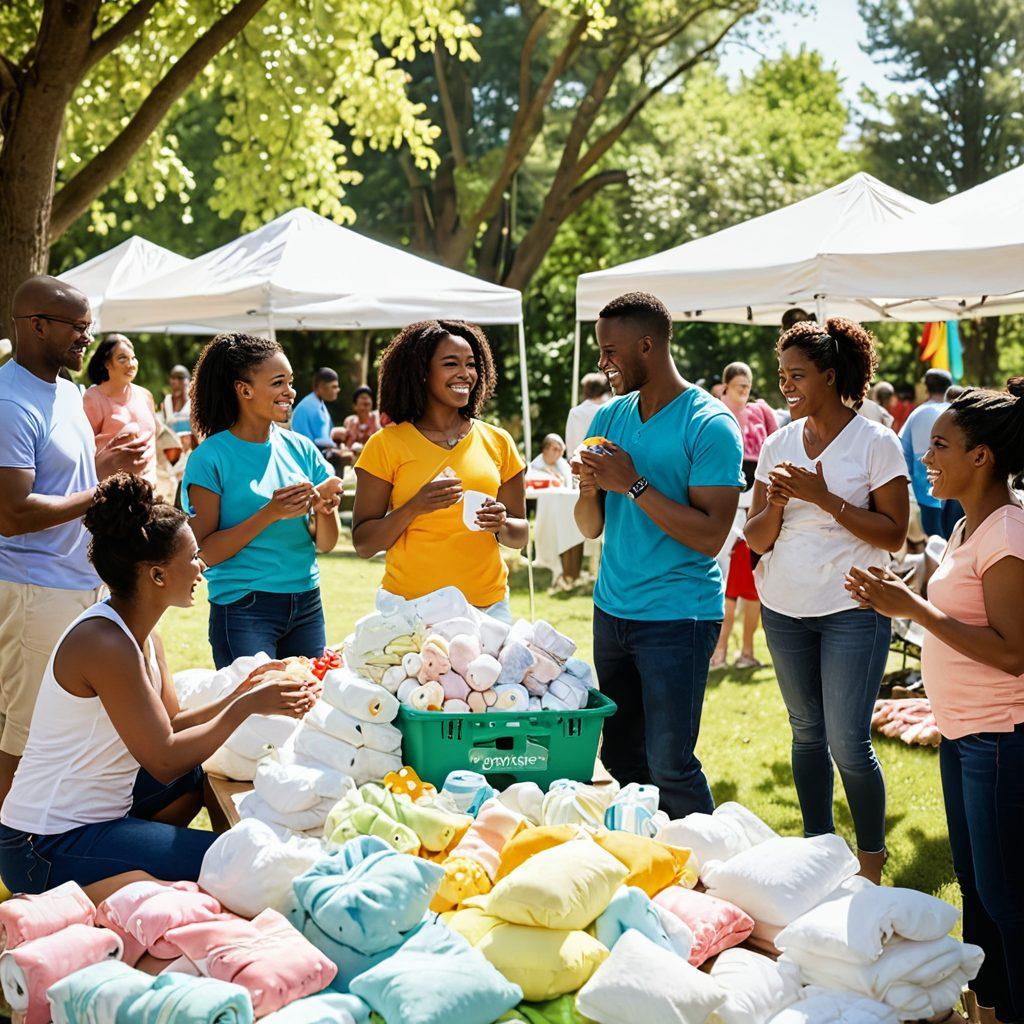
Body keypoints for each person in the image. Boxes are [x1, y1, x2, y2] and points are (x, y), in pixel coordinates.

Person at [0, 473, 314, 900]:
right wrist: (245, 708)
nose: (201, 564)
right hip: (43, 846)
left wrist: (242, 692)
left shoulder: (142, 634)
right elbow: (164, 758)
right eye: (192, 556)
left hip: (92, 820)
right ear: (157, 575)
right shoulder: (104, 642)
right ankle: (120, 879)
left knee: (194, 776)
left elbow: (170, 723)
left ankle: (133, 867)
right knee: (233, 861)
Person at [847, 379, 1024, 1024]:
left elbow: (1012, 651)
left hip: (1000, 740)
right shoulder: (972, 525)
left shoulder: (1007, 530)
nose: (926, 455)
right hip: (964, 735)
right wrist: (897, 593)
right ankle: (993, 1009)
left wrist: (911, 607)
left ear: (981, 457)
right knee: (980, 893)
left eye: (940, 444)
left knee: (1006, 897)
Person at [744, 317, 909, 884]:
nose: (786, 386)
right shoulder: (776, 443)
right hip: (784, 606)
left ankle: (869, 860)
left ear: (831, 375)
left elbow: (895, 534)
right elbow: (756, 538)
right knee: (806, 733)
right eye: (781, 375)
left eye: (798, 375)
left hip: (852, 610)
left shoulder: (876, 442)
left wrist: (823, 496)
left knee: (847, 742)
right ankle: (819, 853)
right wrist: (782, 504)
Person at [574, 292, 744, 819]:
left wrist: (634, 483)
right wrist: (587, 489)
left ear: (647, 346)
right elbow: (591, 525)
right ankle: (649, 859)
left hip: (677, 617)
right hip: (613, 610)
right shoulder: (610, 416)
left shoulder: (710, 424)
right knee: (621, 755)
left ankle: (709, 869)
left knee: (669, 762)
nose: (602, 363)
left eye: (610, 350)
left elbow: (712, 536)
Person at [0, 276, 146, 807]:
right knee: (23, 736)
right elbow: (12, 513)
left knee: (66, 726)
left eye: (90, 326)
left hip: (82, 584)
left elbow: (61, 480)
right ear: (36, 326)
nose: (88, 338)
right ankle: (14, 860)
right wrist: (103, 493)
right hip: (32, 591)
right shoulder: (10, 402)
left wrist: (106, 464)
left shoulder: (64, 391)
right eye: (78, 327)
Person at [182, 334, 342, 668]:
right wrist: (270, 513)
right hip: (244, 608)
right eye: (278, 382)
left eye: (291, 382)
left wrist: (326, 511)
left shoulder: (301, 448)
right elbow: (201, 551)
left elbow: (326, 544)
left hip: (306, 603)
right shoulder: (210, 458)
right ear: (244, 390)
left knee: (308, 709)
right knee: (255, 716)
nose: (290, 392)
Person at [352, 320, 528, 624]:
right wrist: (415, 507)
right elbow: (364, 543)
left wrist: (501, 524)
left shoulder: (498, 441)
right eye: (451, 363)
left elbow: (520, 534)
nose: (465, 373)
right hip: (410, 613)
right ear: (421, 372)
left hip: (487, 610)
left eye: (471, 364)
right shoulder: (385, 445)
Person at [711, 361, 777, 670]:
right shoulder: (713, 413)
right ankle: (717, 650)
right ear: (724, 387)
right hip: (724, 509)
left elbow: (775, 447)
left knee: (748, 582)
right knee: (720, 580)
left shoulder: (759, 413)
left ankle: (743, 651)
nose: (744, 394)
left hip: (752, 509)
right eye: (739, 388)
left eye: (747, 388)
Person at [82, 334, 161, 487]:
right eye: (122, 358)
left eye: (133, 358)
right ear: (107, 363)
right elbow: (83, 452)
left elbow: (154, 440)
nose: (131, 364)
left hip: (149, 495)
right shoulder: (92, 398)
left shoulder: (146, 396)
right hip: (111, 497)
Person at [563, 373, 612, 583]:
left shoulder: (576, 412)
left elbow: (572, 445)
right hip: (611, 471)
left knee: (589, 520)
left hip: (584, 470)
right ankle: (596, 568)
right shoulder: (615, 407)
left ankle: (587, 570)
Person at [901, 369, 957, 539]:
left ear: (926, 388)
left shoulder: (916, 414)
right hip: (957, 493)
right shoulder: (955, 412)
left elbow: (903, 455)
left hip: (925, 494)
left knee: (934, 546)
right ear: (949, 387)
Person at [291, 367, 350, 474]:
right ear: (321, 387)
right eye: (334, 387)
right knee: (341, 459)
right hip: (304, 455)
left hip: (308, 450)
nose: (338, 390)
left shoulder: (315, 402)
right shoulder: (313, 407)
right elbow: (319, 440)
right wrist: (337, 447)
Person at [565, 372, 612, 455]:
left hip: (579, 459)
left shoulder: (574, 412)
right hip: (604, 460)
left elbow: (570, 441)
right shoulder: (609, 410)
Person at [340, 385, 381, 456]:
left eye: (367, 404)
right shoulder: (350, 421)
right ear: (355, 406)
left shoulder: (377, 419)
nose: (365, 399)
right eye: (362, 398)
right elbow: (343, 442)